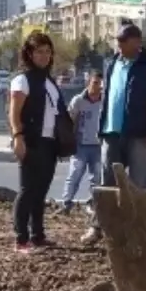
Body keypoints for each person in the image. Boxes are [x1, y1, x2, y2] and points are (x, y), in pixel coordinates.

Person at [81, 21, 146, 246]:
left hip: (140, 134)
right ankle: (97, 227)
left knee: (137, 184)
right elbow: (108, 97)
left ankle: (136, 230)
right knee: (104, 183)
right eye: (117, 40)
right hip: (112, 133)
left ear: (137, 42)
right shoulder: (112, 64)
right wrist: (101, 128)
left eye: (123, 41)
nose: (118, 45)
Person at [8, 31, 67, 253]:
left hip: (49, 142)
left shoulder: (49, 81)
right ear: (29, 54)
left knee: (41, 191)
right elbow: (14, 112)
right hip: (31, 141)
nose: (44, 56)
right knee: (28, 190)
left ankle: (37, 235)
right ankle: (21, 239)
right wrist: (18, 137)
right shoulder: (22, 80)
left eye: (47, 52)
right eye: (39, 52)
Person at [60, 69, 104, 214]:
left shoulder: (105, 101)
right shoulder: (78, 101)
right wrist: (68, 141)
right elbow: (70, 121)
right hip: (80, 146)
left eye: (100, 84)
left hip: (98, 146)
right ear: (88, 82)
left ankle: (94, 204)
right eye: (95, 83)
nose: (97, 87)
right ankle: (66, 203)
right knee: (75, 174)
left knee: (96, 176)